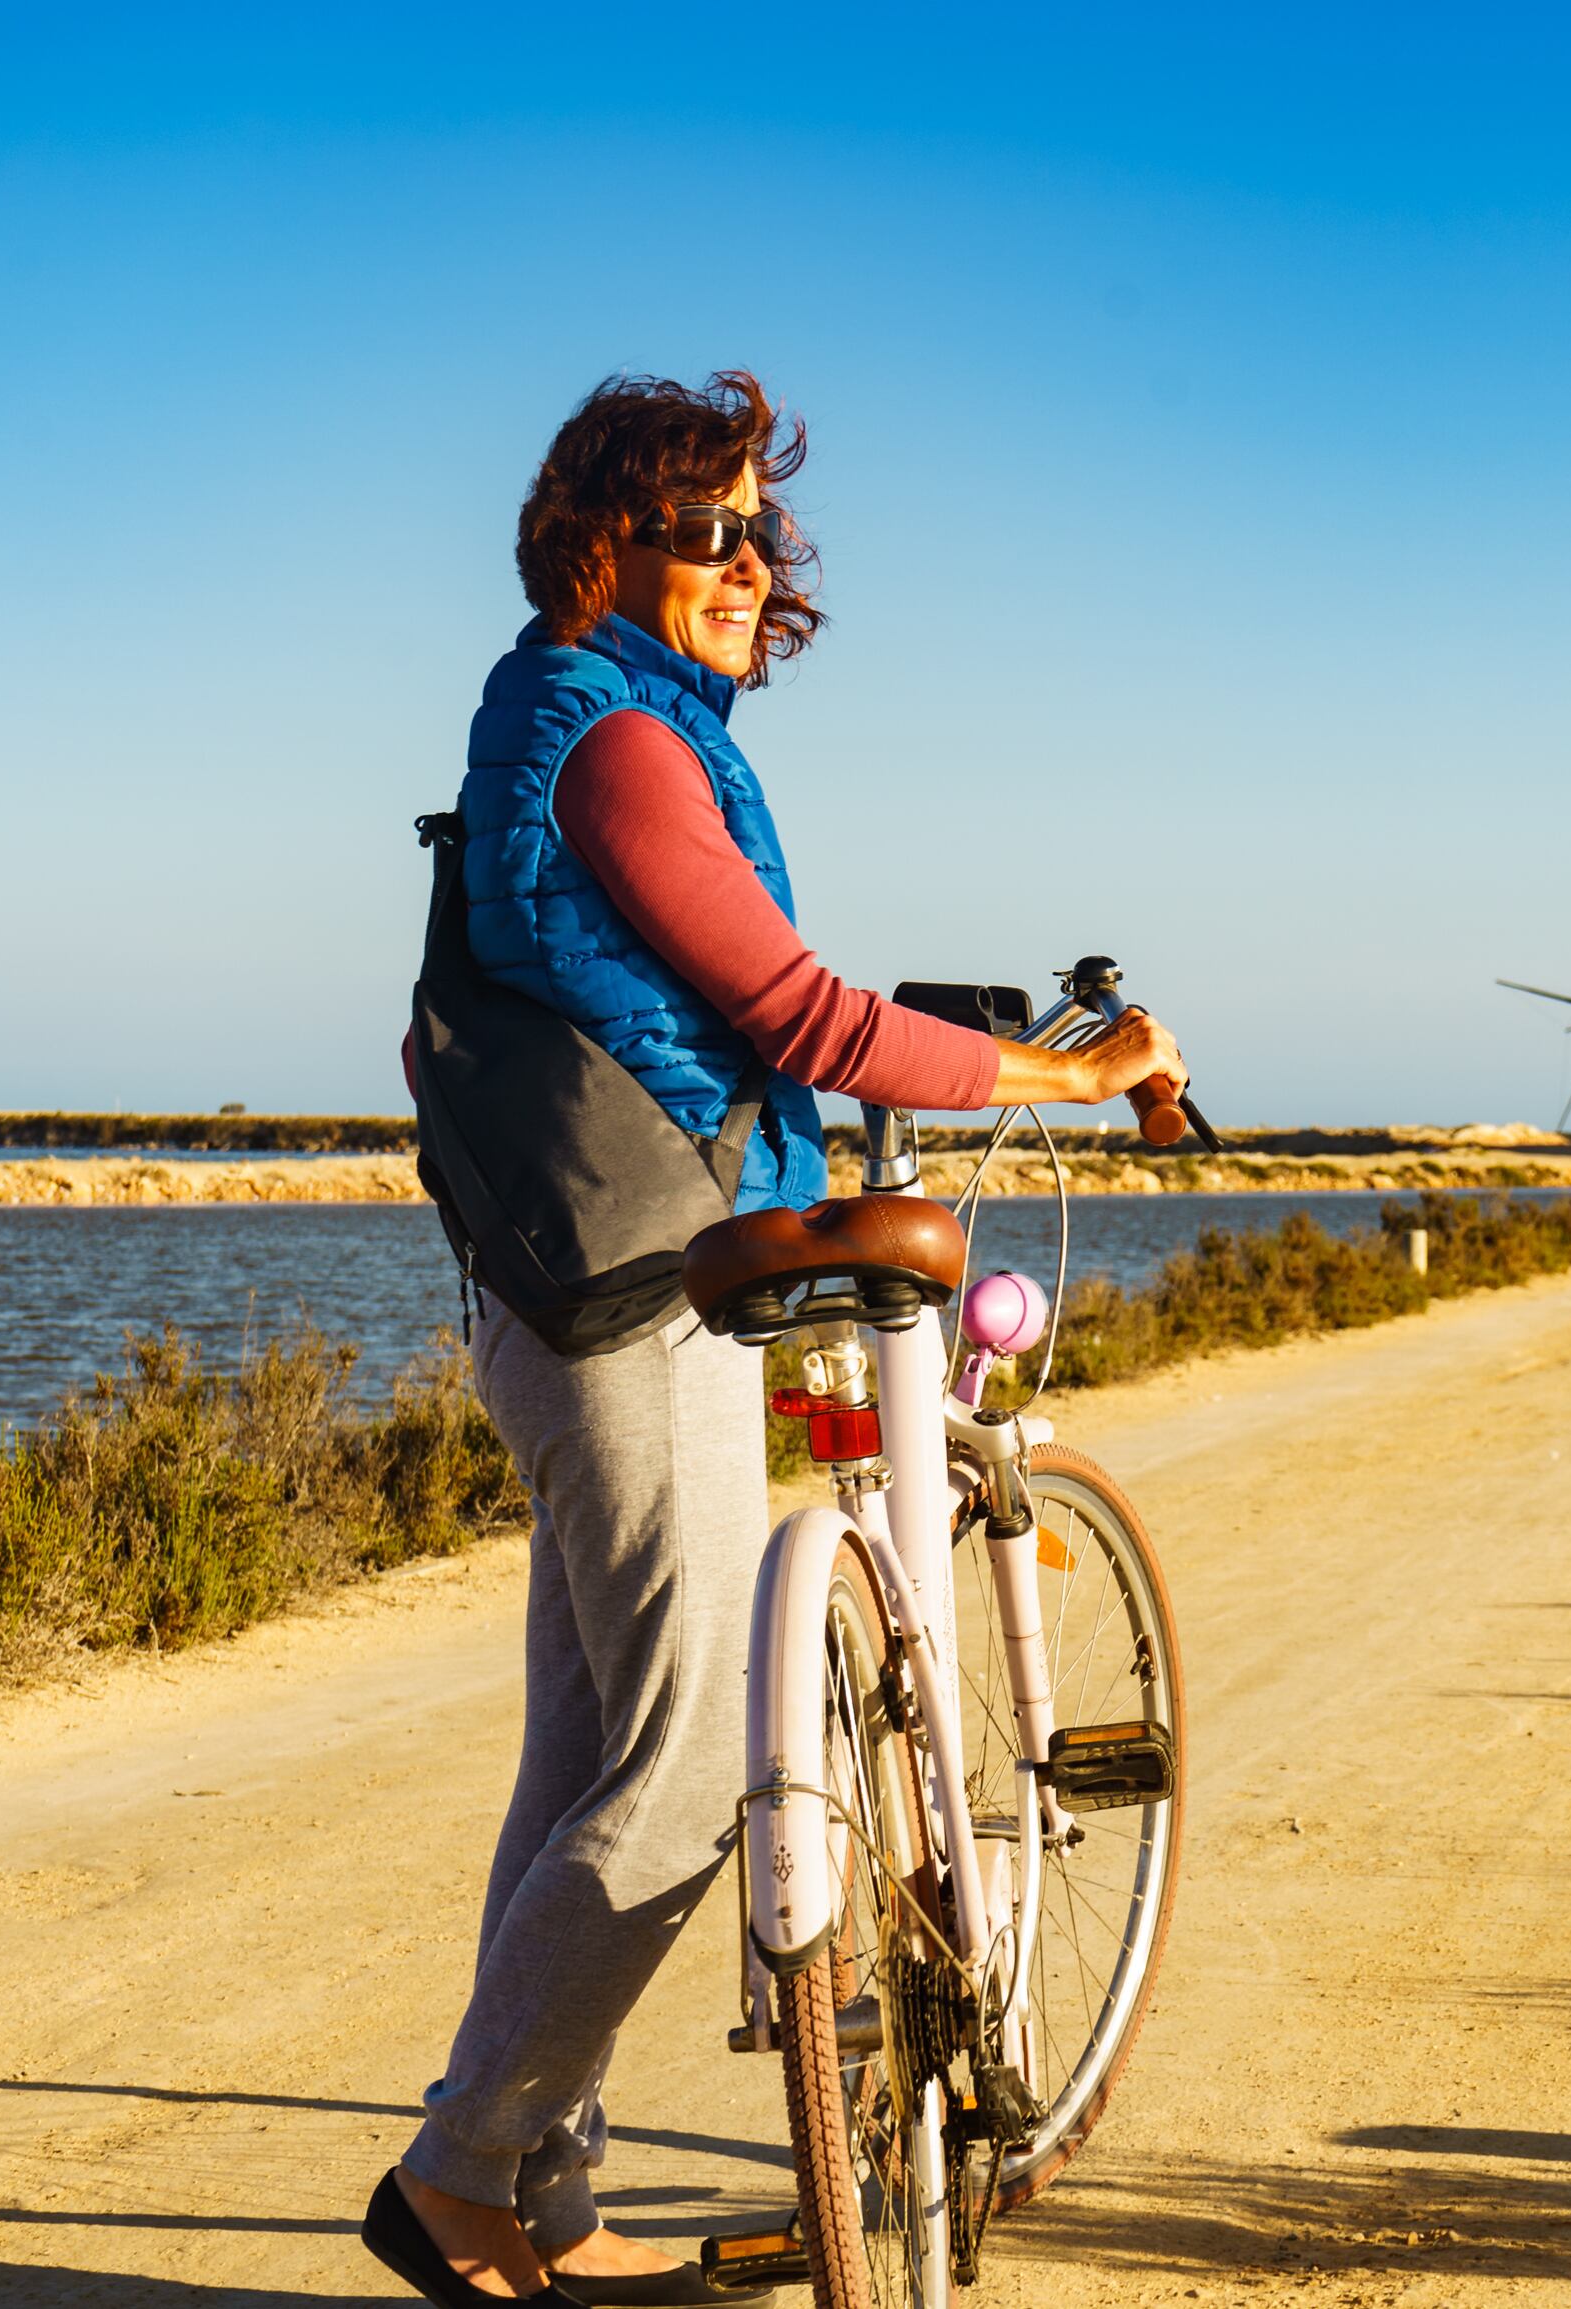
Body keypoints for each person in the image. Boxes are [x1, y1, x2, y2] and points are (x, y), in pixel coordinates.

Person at [363, 372, 1183, 2308]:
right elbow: (805, 1018)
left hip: (581, 1283)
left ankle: (537, 2194)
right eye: (708, 530)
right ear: (601, 547)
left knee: (583, 1757)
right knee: (680, 1773)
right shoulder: (615, 744)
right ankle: (462, 2177)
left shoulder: (581, 728)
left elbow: (723, 1004)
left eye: (762, 534)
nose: (751, 566)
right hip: (640, 1293)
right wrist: (1067, 1075)